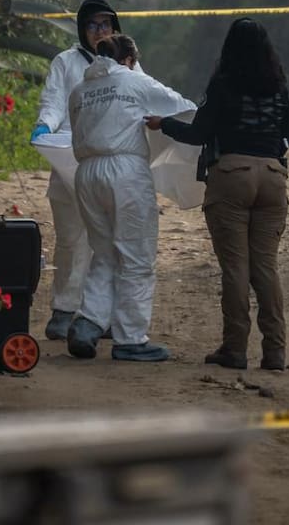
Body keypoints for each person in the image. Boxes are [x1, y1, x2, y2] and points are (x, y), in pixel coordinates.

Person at [146, 18, 289, 371]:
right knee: (266, 267)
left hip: (230, 177)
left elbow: (198, 133)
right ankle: (275, 352)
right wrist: (267, 151)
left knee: (236, 267)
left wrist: (163, 123)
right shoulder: (278, 87)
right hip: (273, 178)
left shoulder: (223, 85)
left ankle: (235, 348)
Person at [66, 35, 195, 362]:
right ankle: (130, 338)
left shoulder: (80, 91)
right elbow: (183, 106)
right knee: (136, 255)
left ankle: (88, 322)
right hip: (125, 171)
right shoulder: (135, 81)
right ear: (128, 60)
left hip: (87, 172)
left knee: (104, 252)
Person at [32, 0, 140, 342]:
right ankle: (64, 310)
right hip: (69, 159)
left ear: (114, 27)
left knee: (109, 243)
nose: (99, 31)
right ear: (81, 28)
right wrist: (45, 126)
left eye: (105, 24)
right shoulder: (66, 62)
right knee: (72, 239)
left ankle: (99, 316)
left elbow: (144, 97)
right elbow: (53, 102)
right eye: (92, 25)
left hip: (111, 164)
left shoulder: (128, 64)